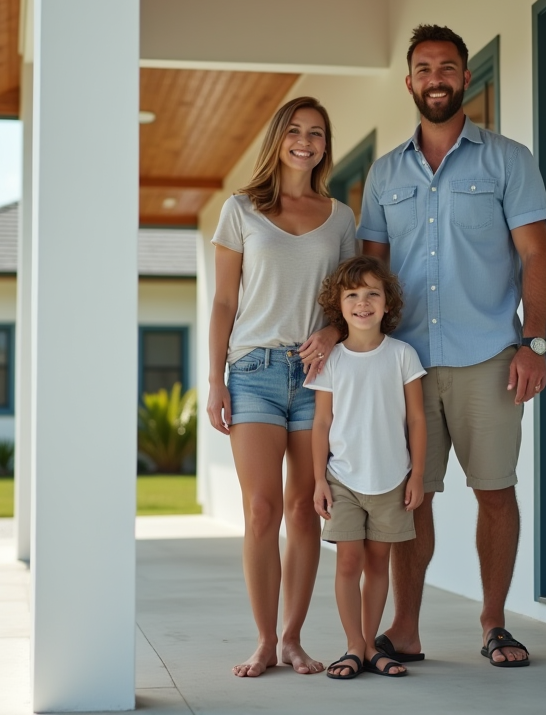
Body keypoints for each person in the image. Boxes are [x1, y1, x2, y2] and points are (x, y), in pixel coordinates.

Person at [358, 24, 546, 669]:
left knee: (495, 490)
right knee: (415, 496)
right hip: (408, 363)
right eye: (423, 68)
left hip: (489, 357)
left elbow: (535, 256)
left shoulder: (508, 159)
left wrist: (534, 342)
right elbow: (372, 275)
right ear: (409, 80)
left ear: (465, 78)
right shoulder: (385, 174)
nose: (435, 78)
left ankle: (494, 622)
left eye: (447, 67)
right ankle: (406, 629)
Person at [207, 96, 358, 678]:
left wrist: (331, 330)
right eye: (295, 131)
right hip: (253, 374)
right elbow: (224, 300)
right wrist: (215, 380)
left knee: (303, 509)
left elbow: (349, 302)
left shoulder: (341, 218)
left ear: (325, 145)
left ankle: (293, 638)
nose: (305, 141)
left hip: (317, 374)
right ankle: (264, 641)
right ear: (278, 139)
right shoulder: (240, 210)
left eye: (316, 133)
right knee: (262, 509)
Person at [305, 255, 427, 680]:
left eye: (372, 294)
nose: (362, 303)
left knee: (379, 564)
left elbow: (417, 420)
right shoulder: (331, 360)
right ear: (337, 306)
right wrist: (318, 479)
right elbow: (321, 423)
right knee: (347, 563)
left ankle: (373, 646)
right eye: (352, 295)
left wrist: (417, 476)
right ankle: (354, 646)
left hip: (392, 480)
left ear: (388, 303)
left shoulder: (403, 355)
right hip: (344, 480)